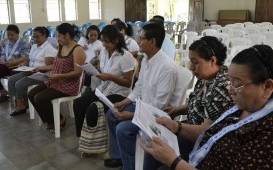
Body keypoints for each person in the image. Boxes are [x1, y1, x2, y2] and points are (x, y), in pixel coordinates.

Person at [142, 44, 273, 170]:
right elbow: (211, 131)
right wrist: (176, 127)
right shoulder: (240, 105)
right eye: (230, 81)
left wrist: (174, 162)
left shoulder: (266, 134)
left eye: (236, 84)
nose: (230, 89)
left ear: (267, 87)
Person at [104, 23, 182, 169]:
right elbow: (138, 87)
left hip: (157, 115)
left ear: (152, 42)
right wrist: (125, 101)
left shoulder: (167, 67)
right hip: (142, 105)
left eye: (141, 38)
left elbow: (160, 104)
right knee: (112, 113)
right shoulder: (146, 60)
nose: (138, 42)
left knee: (123, 129)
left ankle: (130, 165)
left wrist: (132, 115)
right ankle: (120, 156)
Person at [161, 36, 233, 162]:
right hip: (192, 128)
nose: (191, 67)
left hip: (202, 144)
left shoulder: (220, 87)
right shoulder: (206, 78)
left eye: (195, 62)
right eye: (190, 61)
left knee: (158, 145)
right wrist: (178, 109)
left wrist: (176, 126)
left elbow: (206, 132)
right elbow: (200, 104)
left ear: (212, 60)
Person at [73, 25, 135, 137]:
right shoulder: (104, 52)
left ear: (116, 40)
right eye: (103, 41)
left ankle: (94, 143)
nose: (104, 45)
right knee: (78, 103)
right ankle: (82, 137)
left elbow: (128, 83)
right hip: (103, 89)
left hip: (118, 94)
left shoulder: (126, 56)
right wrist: (93, 70)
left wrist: (110, 77)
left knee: (93, 110)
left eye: (107, 42)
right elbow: (102, 69)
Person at [28, 23, 86, 132]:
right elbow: (56, 65)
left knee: (39, 98)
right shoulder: (62, 46)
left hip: (70, 84)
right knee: (31, 94)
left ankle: (59, 120)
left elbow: (78, 73)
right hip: (56, 80)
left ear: (67, 35)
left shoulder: (78, 49)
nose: (57, 39)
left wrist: (59, 75)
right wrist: (42, 68)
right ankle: (50, 120)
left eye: (59, 36)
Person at [7, 26, 57, 116]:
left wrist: (35, 70)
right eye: (34, 37)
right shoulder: (34, 46)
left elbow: (49, 67)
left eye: (38, 37)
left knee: (19, 84)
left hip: (41, 74)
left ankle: (21, 105)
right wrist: (23, 65)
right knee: (11, 80)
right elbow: (29, 59)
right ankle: (21, 102)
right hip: (30, 71)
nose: (35, 39)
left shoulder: (48, 48)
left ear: (44, 36)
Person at [0, 24, 30, 104]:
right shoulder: (4, 42)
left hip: (17, 66)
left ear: (17, 34)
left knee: (14, 80)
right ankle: (4, 93)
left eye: (12, 35)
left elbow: (25, 57)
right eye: (8, 35)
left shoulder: (23, 43)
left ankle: (20, 100)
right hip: (5, 64)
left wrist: (13, 62)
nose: (10, 37)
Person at [77, 25, 103, 92]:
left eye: (95, 35)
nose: (93, 37)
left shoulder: (100, 44)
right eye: (91, 35)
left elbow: (100, 58)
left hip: (92, 65)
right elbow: (76, 49)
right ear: (87, 34)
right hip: (81, 64)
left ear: (98, 36)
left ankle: (87, 88)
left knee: (88, 72)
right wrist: (82, 48)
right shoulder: (82, 41)